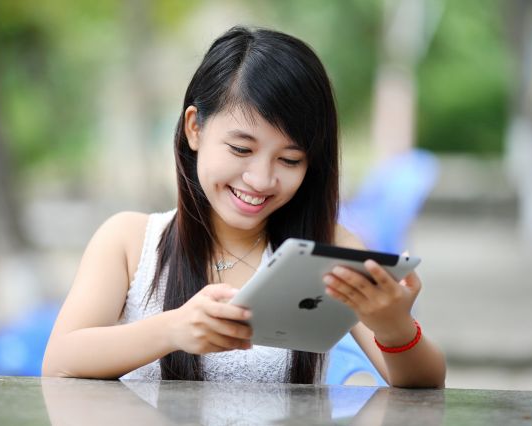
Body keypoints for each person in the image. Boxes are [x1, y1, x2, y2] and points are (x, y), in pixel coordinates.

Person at [42, 26, 446, 387]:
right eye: (241, 149)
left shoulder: (328, 251)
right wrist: (172, 330)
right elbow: (59, 362)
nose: (260, 179)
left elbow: (424, 385)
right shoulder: (129, 241)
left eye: (290, 160)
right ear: (194, 127)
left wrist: (395, 329)